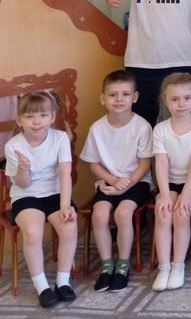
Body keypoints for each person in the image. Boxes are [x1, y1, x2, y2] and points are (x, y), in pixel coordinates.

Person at [79, 71, 153, 293]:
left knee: (122, 214)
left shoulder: (142, 126)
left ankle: (122, 265)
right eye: (112, 94)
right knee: (99, 215)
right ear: (103, 99)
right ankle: (106, 266)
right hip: (109, 182)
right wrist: (112, 180)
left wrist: (126, 183)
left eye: (125, 94)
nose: (119, 99)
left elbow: (145, 165)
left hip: (137, 182)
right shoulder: (97, 128)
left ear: (135, 97)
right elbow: (94, 164)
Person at [4, 90, 77, 308]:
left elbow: (65, 173)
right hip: (26, 195)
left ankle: (63, 282)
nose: (37, 121)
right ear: (20, 120)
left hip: (55, 192)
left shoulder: (60, 138)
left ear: (52, 117)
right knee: (32, 232)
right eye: (29, 116)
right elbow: (23, 184)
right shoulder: (13, 146)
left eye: (43, 115)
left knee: (69, 227)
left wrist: (65, 206)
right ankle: (42, 286)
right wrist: (23, 169)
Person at [151, 73, 191, 291]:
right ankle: (164, 267)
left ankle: (178, 267)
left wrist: (186, 194)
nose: (181, 104)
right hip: (169, 182)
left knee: (181, 213)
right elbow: (161, 163)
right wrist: (164, 194)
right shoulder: (160, 129)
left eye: (187, 98)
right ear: (165, 101)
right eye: (175, 99)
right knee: (163, 213)